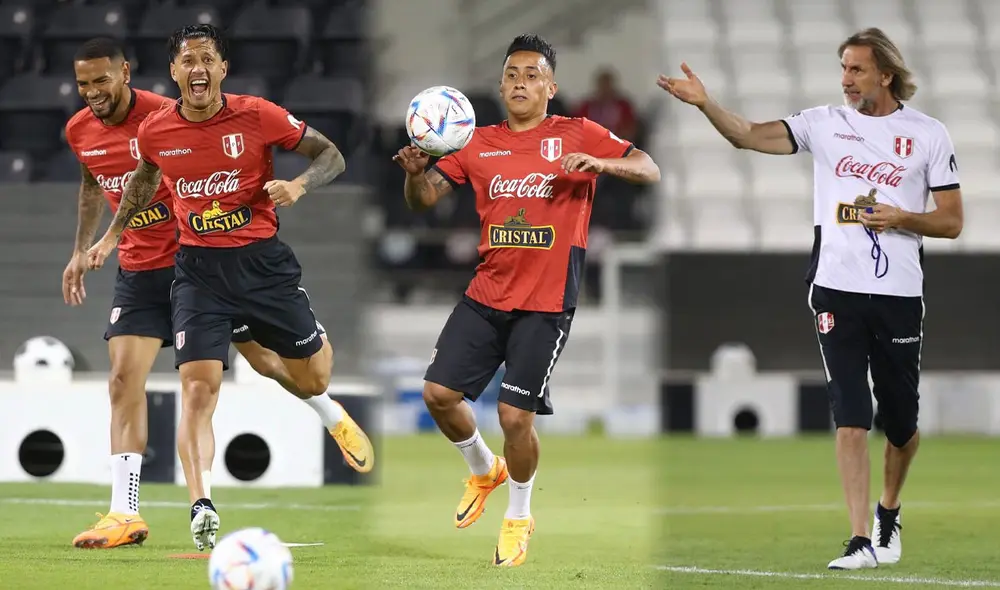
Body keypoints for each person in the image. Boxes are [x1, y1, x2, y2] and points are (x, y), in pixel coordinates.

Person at [658, 27, 963, 570]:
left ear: (885, 75)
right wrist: (707, 104)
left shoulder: (928, 135)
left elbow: (952, 221)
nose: (846, 80)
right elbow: (747, 135)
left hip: (898, 294)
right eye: (843, 68)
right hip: (834, 288)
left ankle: (887, 512)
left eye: (857, 70)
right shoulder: (823, 124)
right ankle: (858, 540)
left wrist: (902, 217)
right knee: (850, 413)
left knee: (902, 425)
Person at [83, 25, 375, 551]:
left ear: (223, 68)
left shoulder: (257, 115)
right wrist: (111, 237)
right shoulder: (156, 131)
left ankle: (327, 403)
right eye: (187, 60)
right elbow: (143, 180)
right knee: (198, 387)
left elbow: (331, 154)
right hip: (197, 272)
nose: (197, 68)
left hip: (262, 267)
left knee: (311, 377)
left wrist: (298, 185)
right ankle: (202, 504)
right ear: (173, 72)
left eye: (207, 59)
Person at [393, 33, 660, 567]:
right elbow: (424, 201)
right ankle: (482, 469)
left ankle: (518, 514)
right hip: (486, 293)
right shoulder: (474, 141)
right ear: (500, 85)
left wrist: (604, 165)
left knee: (516, 417)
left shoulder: (577, 133)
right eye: (512, 74)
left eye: (532, 74)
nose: (520, 82)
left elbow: (648, 168)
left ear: (551, 87)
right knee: (439, 395)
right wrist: (415, 174)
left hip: (546, 302)